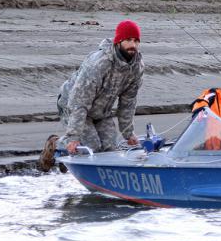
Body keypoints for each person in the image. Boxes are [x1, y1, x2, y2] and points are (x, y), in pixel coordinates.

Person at [37, 20, 144, 171]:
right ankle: (56, 145)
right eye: (128, 40)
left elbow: (128, 102)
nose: (133, 45)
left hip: (101, 112)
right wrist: (73, 136)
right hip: (73, 105)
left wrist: (128, 133)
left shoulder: (137, 67)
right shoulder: (99, 63)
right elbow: (79, 101)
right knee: (92, 148)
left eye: (136, 41)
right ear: (118, 41)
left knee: (110, 150)